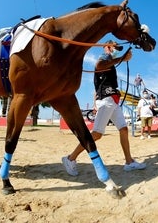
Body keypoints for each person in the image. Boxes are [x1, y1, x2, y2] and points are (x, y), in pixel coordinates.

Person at [62, 40, 146, 176]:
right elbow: (99, 64)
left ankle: (129, 162)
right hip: (107, 100)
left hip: (113, 100)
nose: (116, 50)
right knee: (96, 134)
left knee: (123, 129)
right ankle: (70, 158)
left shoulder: (110, 61)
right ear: (106, 47)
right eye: (114, 47)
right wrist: (122, 58)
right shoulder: (104, 57)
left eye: (118, 48)